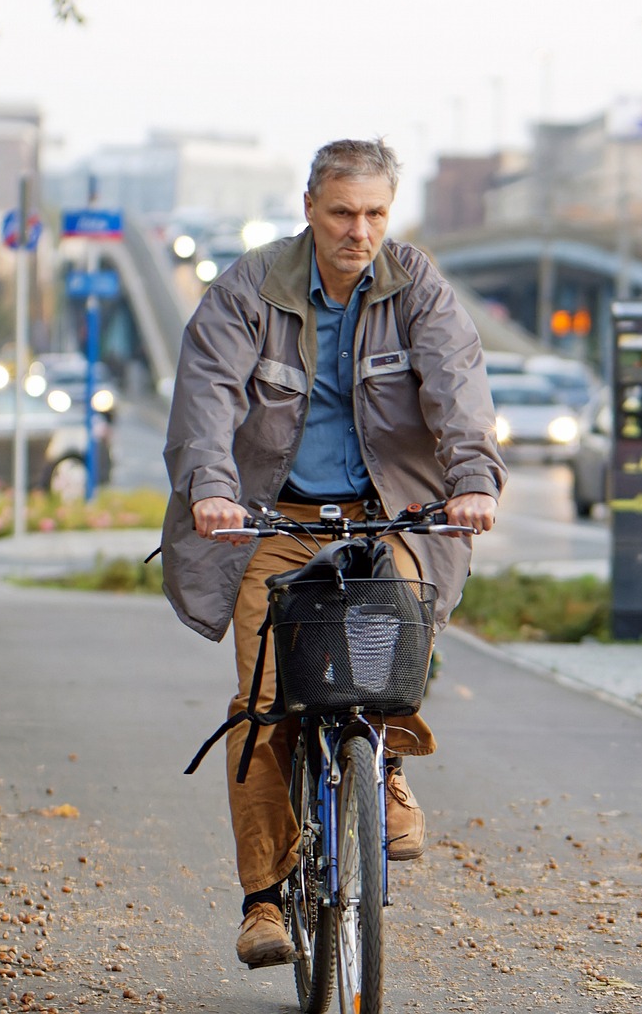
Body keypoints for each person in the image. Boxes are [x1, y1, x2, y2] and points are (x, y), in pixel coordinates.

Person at [160, 138, 505, 970]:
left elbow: (458, 389)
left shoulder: (415, 284)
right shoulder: (251, 288)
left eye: (376, 214)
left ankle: (378, 764)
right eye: (344, 212)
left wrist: (474, 481)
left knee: (396, 645)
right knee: (264, 703)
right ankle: (264, 900)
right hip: (273, 521)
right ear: (310, 206)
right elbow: (204, 401)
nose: (360, 231)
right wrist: (212, 488)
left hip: (387, 516)